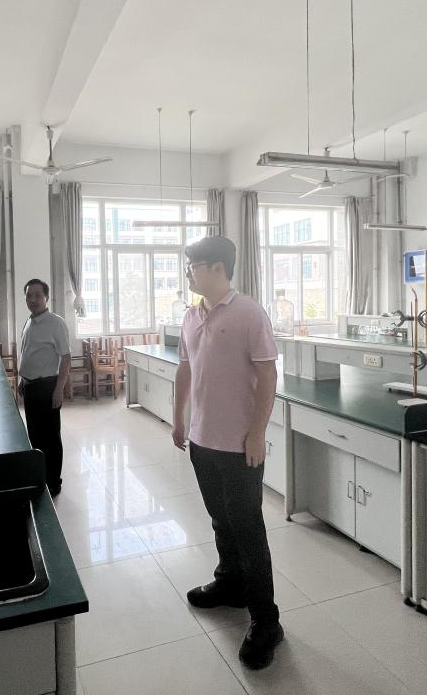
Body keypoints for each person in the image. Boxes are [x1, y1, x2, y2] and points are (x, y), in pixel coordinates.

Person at [172, 235, 283, 670]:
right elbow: (185, 368)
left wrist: (257, 433)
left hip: (239, 446)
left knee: (248, 529)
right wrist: (178, 418)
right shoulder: (191, 315)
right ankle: (230, 584)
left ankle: (266, 622)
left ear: (218, 268)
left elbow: (267, 375)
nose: (189, 274)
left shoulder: (249, 313)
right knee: (221, 521)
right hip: (202, 441)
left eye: (194, 266)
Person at [18, 278, 71, 497]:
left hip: (47, 388)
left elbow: (66, 357)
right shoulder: (29, 321)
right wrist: (22, 379)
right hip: (30, 387)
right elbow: (28, 352)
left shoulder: (55, 323)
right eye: (29, 295)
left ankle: (54, 482)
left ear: (46, 297)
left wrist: (59, 389)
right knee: (35, 435)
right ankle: (41, 476)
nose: (33, 300)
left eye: (38, 295)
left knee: (50, 438)